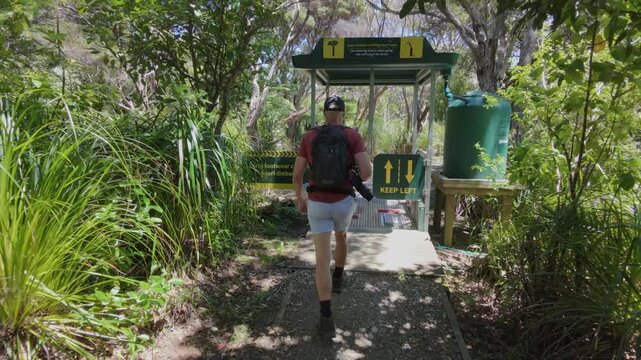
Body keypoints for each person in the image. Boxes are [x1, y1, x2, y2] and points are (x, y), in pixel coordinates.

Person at [292, 95, 372, 335]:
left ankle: (326, 316)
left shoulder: (310, 136)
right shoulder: (351, 136)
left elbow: (297, 175)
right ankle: (338, 277)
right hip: (343, 201)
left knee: (321, 259)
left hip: (317, 203)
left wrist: (299, 198)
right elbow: (367, 173)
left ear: (325, 112)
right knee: (342, 236)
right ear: (342, 113)